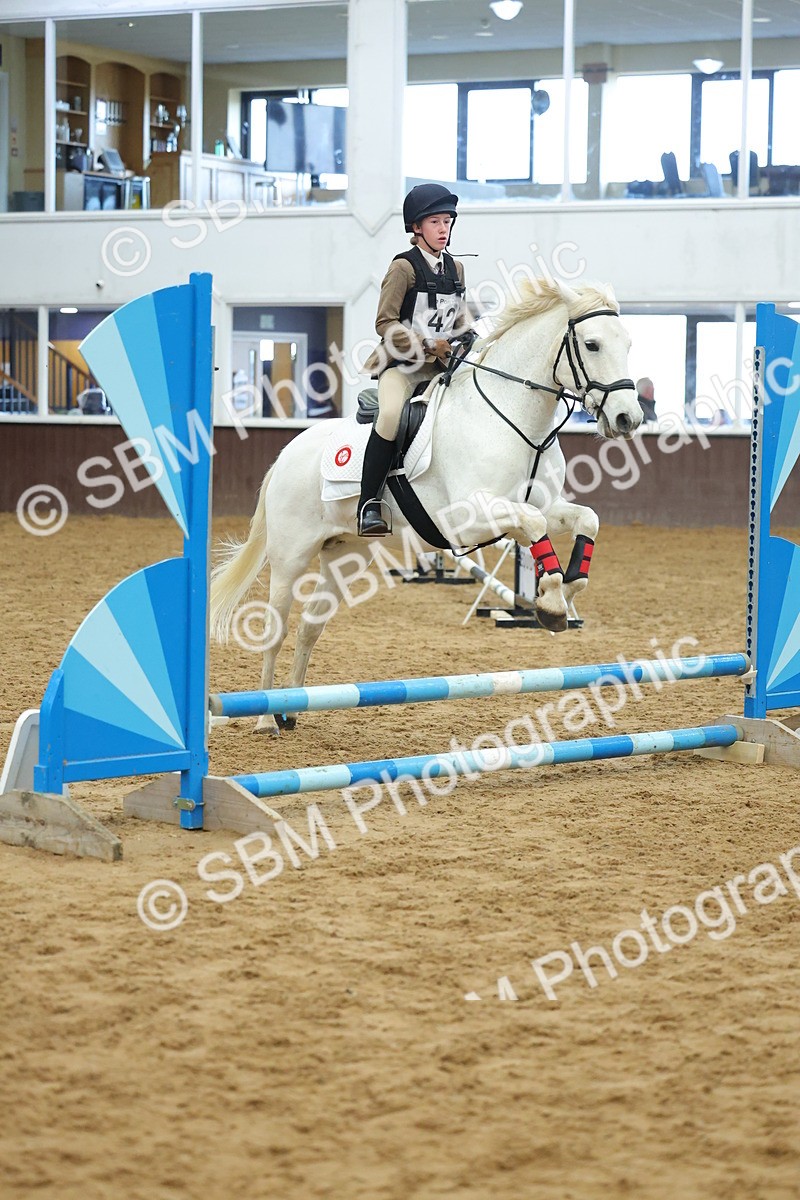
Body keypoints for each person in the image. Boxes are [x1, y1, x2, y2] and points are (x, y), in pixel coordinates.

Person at [357, 183, 474, 536]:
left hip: (441, 370)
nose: (443, 229)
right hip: (403, 368)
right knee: (391, 415)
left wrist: (468, 334)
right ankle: (369, 504)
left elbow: (458, 318)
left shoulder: (456, 269)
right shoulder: (403, 269)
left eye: (447, 222)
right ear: (417, 228)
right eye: (435, 222)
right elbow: (384, 323)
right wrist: (425, 344)